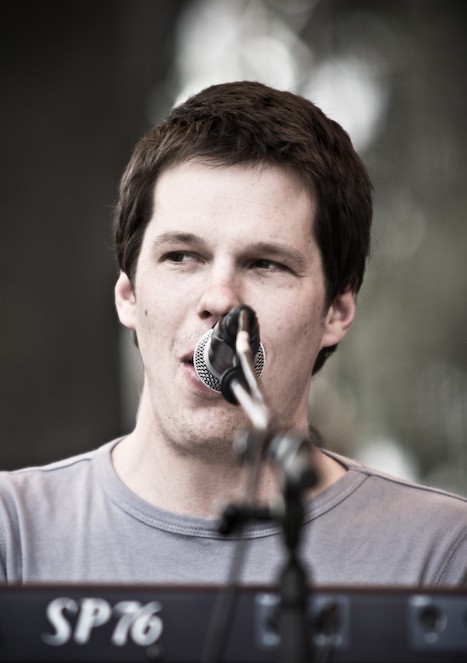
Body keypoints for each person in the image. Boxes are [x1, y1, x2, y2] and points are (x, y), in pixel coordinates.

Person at [1, 80, 466, 587]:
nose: (220, 298)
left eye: (266, 264)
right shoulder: (14, 531)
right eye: (182, 256)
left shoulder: (443, 554)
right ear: (128, 295)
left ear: (335, 311)